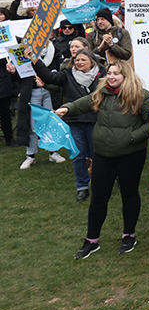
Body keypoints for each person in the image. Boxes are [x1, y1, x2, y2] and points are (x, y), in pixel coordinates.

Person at [59, 60, 149, 259]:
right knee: (98, 198)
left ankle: (129, 235)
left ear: (126, 76)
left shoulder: (141, 96)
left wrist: (132, 138)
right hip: (102, 154)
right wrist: (66, 109)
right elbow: (81, 104)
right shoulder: (102, 92)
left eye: (116, 74)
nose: (111, 77)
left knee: (129, 194)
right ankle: (91, 240)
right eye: (109, 73)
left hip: (131, 154)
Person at [32, 48, 103, 201]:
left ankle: (101, 184)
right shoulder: (67, 74)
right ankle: (82, 187)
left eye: (83, 59)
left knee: (97, 154)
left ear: (92, 61)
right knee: (78, 154)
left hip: (95, 120)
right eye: (77, 60)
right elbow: (48, 77)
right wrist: (36, 61)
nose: (79, 62)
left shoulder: (102, 75)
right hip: (74, 120)